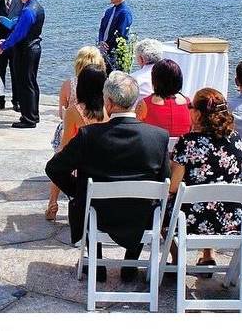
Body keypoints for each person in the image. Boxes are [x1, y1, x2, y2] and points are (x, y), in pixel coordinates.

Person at [46, 72, 170, 282]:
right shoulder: (158, 137)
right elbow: (164, 180)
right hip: (141, 215)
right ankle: (130, 265)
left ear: (110, 103)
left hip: (97, 214)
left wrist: (78, 190)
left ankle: (97, 262)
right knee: (150, 201)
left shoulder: (89, 136)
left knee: (86, 202)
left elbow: (54, 168)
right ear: (135, 102)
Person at [169, 88, 242, 269]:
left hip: (191, 220)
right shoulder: (236, 139)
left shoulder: (187, 143)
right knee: (211, 196)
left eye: (191, 107)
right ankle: (208, 253)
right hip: (230, 219)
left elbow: (173, 186)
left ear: (198, 114)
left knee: (161, 208)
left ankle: (176, 258)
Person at [47, 47, 106, 221]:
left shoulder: (70, 85)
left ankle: (53, 202)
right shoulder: (106, 97)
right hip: (98, 143)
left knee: (57, 162)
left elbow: (62, 115)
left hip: (72, 134)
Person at [0, 0, 45, 128]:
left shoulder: (28, 10)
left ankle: (28, 119)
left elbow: (19, 33)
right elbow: (18, 27)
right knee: (32, 82)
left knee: (24, 84)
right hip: (35, 47)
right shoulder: (39, 7)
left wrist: (3, 46)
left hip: (26, 50)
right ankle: (34, 115)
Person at [135, 59, 191, 137]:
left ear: (155, 80)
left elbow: (137, 131)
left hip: (154, 147)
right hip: (181, 147)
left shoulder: (144, 104)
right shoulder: (188, 103)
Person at [97, 0, 133, 74]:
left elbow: (121, 33)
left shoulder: (124, 12)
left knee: (114, 75)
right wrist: (101, 41)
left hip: (115, 50)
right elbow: (102, 28)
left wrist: (107, 45)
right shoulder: (108, 11)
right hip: (103, 48)